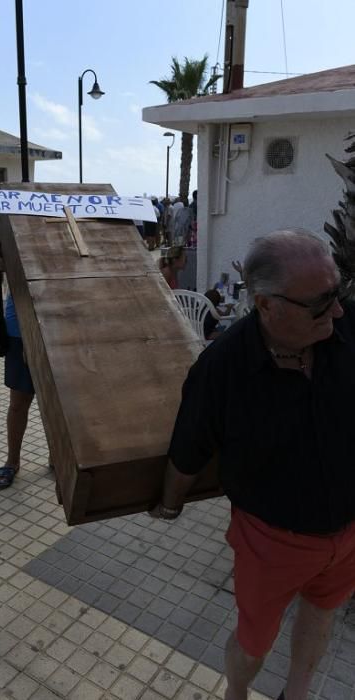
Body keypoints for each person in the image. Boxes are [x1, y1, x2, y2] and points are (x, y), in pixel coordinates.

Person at [151, 229, 355, 700]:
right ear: (266, 305)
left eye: (337, 295)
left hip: (348, 534)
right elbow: (189, 447)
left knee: (321, 613)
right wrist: (169, 503)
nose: (338, 311)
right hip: (271, 540)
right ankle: (236, 695)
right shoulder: (223, 368)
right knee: (254, 638)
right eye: (320, 304)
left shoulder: (348, 328)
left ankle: (296, 694)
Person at [0, 243, 37, 490]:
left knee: (61, 406)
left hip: (58, 331)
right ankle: (12, 461)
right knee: (18, 403)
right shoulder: (9, 240)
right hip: (17, 335)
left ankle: (58, 457)